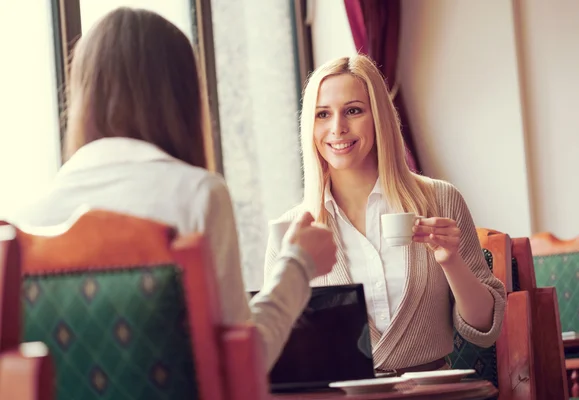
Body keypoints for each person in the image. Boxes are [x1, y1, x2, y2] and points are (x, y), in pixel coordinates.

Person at [10, 7, 337, 371]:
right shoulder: (197, 195)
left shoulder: (26, 223)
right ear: (182, 97)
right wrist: (297, 264)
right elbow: (241, 362)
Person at [264, 54, 506, 374]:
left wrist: (451, 261)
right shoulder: (293, 229)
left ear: (378, 117)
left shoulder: (440, 200)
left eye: (353, 110)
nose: (337, 128)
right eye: (323, 114)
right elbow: (274, 343)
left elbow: (485, 329)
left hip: (431, 396)